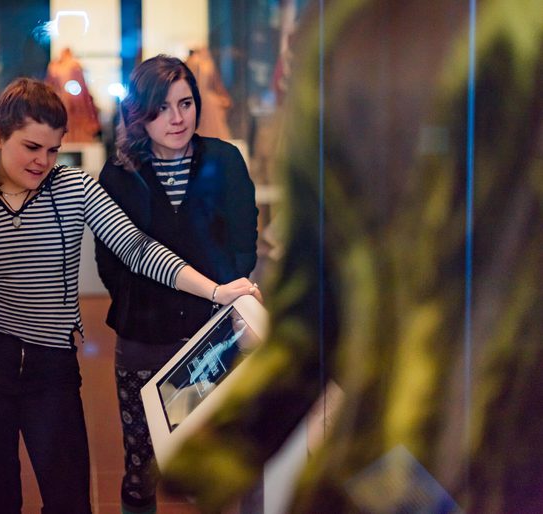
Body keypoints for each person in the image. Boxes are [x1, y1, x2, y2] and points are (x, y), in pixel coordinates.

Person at [160, 0, 543, 513]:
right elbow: (309, 308)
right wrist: (227, 446)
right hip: (379, 462)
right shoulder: (336, 41)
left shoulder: (514, 35)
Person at [0, 77, 260, 514]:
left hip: (53, 369)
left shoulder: (73, 188)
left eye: (53, 149)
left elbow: (137, 249)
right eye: (31, 147)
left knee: (69, 500)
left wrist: (215, 290)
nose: (43, 161)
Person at [93, 54, 258, 514]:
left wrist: (220, 296)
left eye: (185, 103)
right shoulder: (120, 174)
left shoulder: (223, 160)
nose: (177, 118)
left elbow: (244, 240)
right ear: (139, 113)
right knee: (142, 468)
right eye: (162, 108)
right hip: (145, 335)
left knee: (216, 463)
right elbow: (112, 261)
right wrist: (151, 301)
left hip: (215, 338)